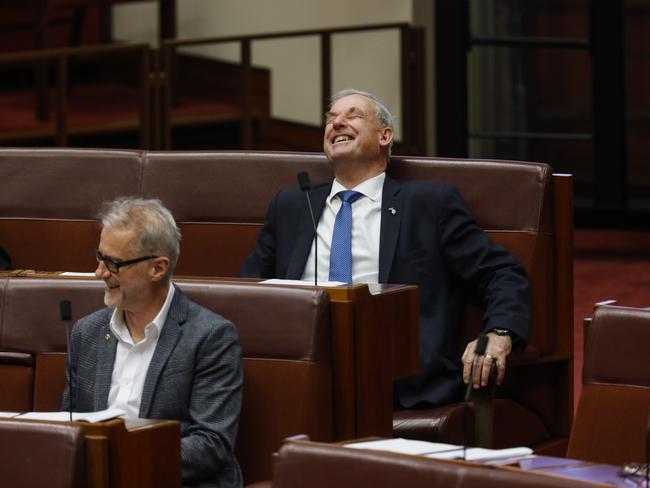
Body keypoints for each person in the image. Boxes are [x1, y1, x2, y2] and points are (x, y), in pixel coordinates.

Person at [240, 88, 531, 409]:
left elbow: (500, 272)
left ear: (385, 135)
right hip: (300, 366)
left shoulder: (428, 204)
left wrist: (499, 332)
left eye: (352, 115)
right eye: (331, 118)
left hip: (394, 376)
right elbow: (249, 289)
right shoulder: (293, 204)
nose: (337, 123)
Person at [62, 197, 243, 488]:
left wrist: (118, 460)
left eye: (113, 264)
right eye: (99, 257)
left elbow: (212, 445)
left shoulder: (210, 337)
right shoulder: (86, 333)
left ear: (158, 268)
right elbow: (69, 426)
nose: (100, 273)